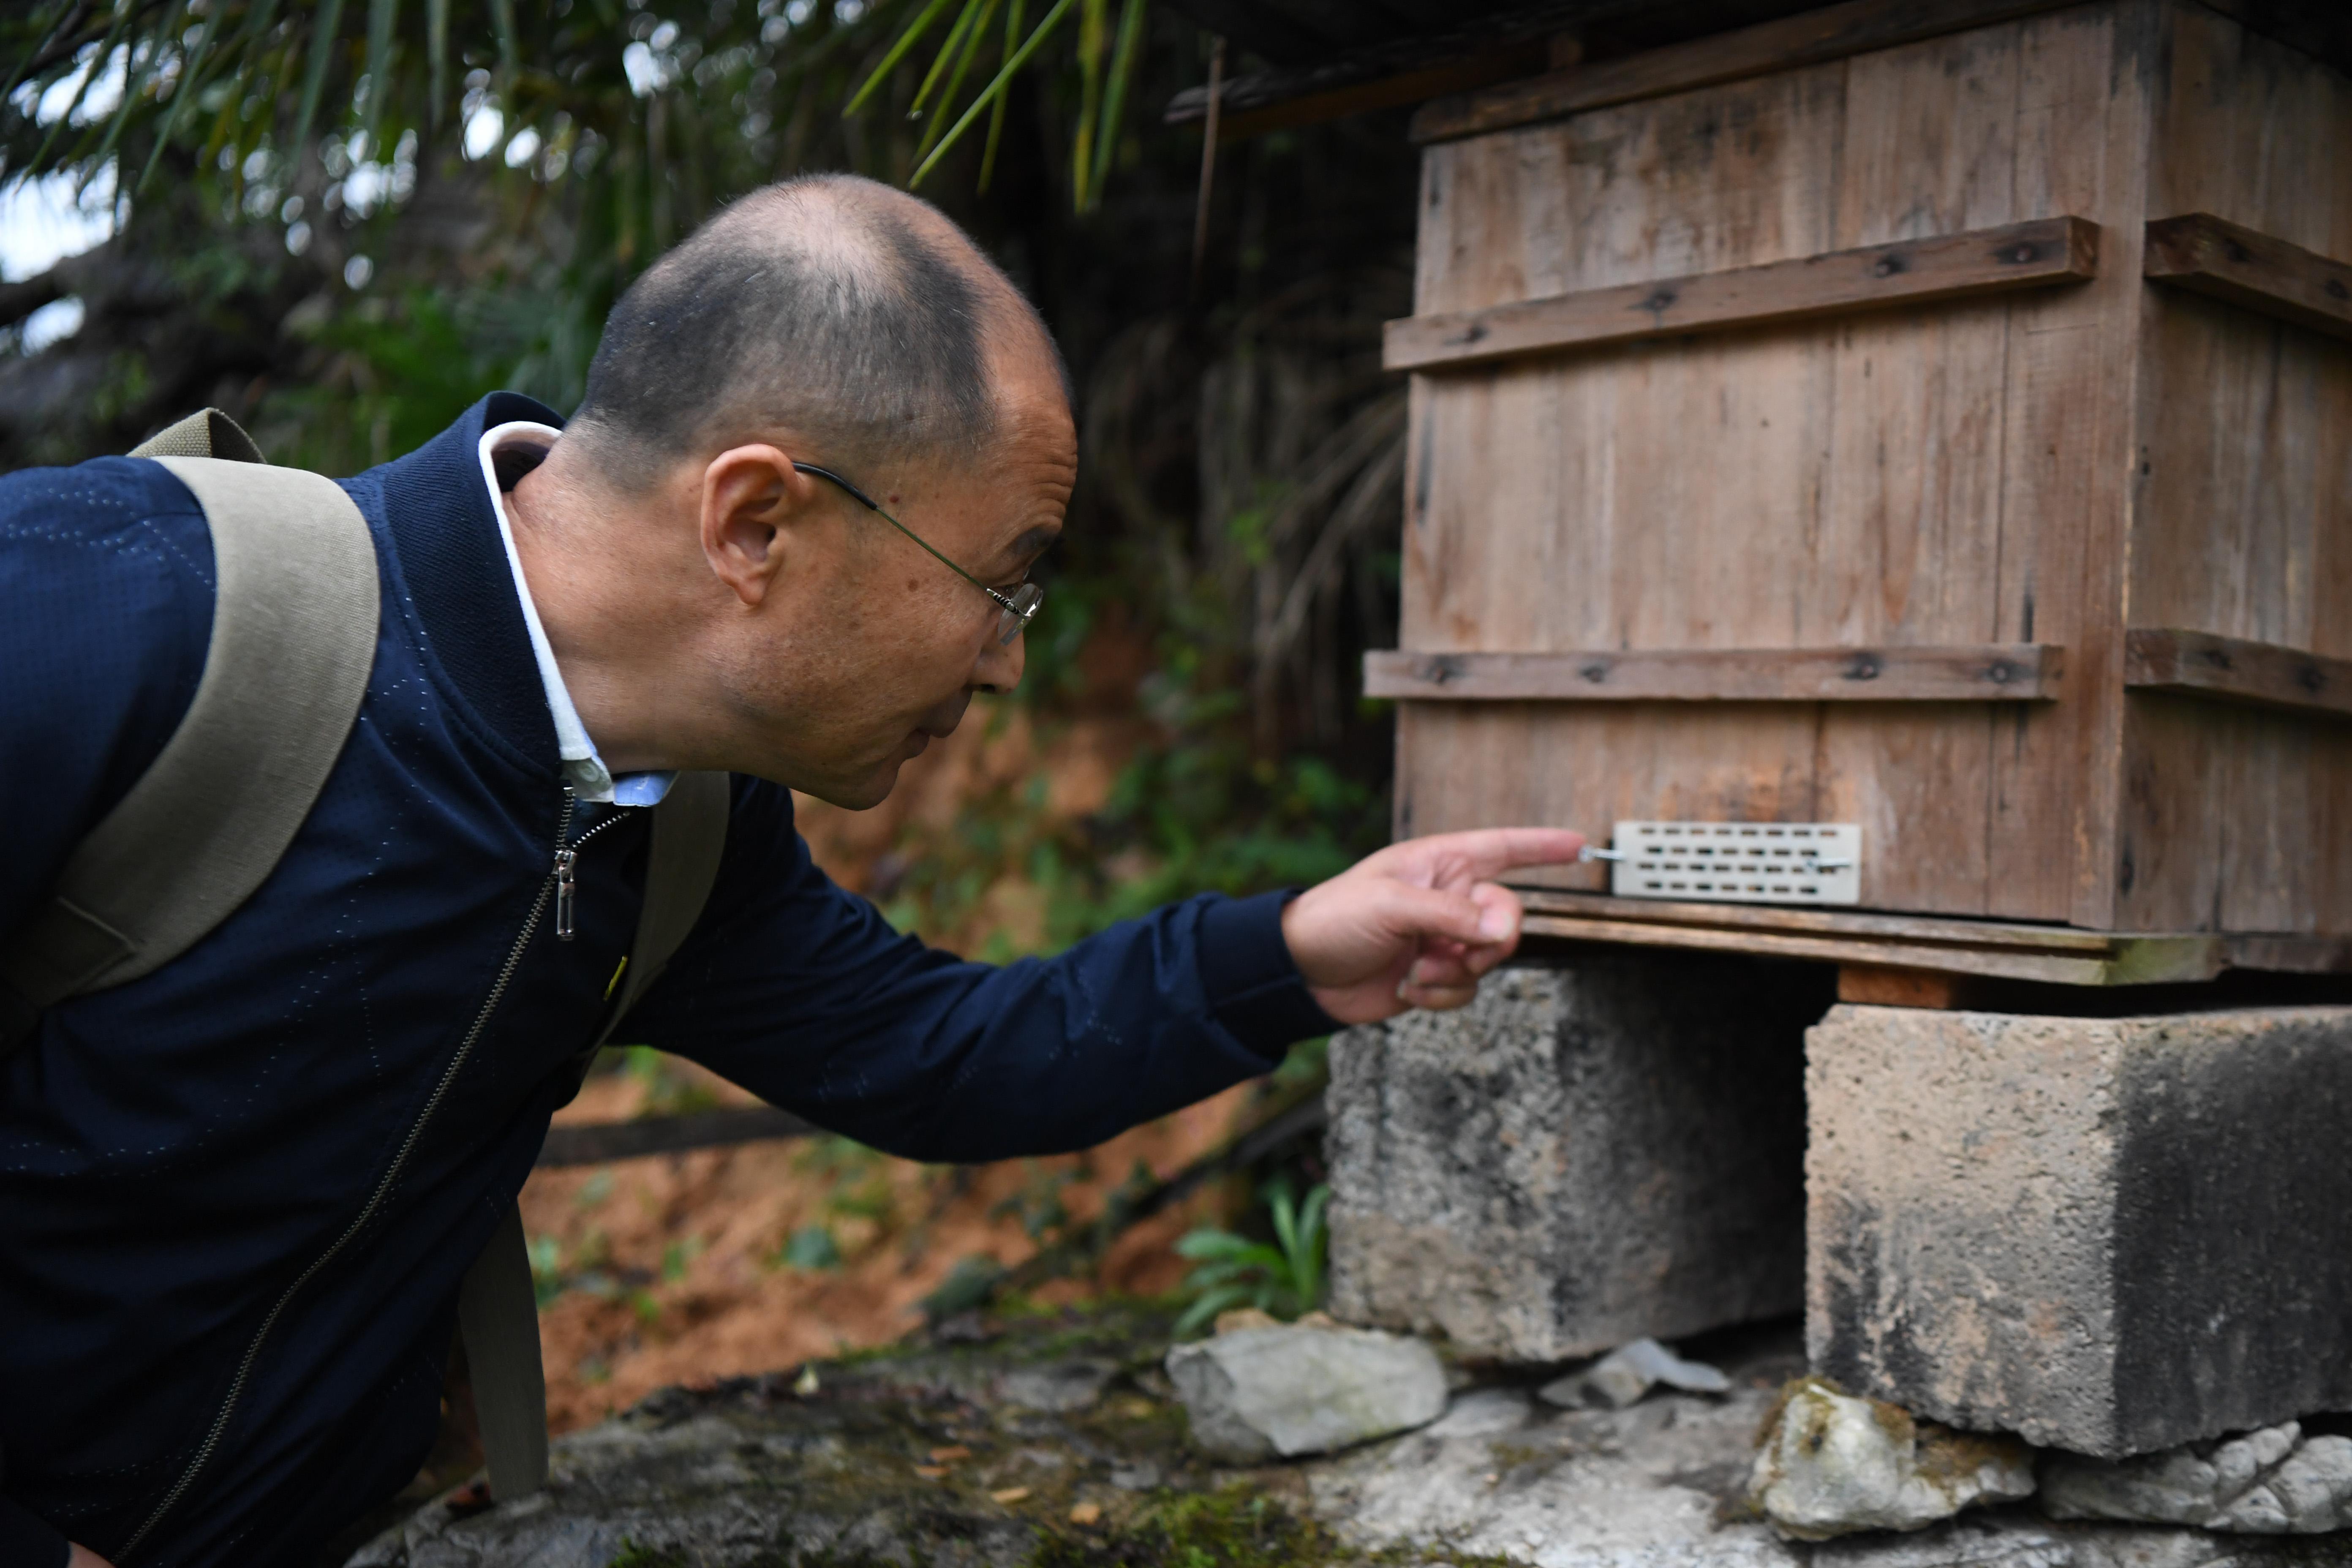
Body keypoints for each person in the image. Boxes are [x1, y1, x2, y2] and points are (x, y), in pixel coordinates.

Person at [0, 173, 1581, 1568]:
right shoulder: (116, 612)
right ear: (756, 523)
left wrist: (1295, 952)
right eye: (1003, 585)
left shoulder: (677, 824)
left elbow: (932, 1058)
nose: (1006, 667)